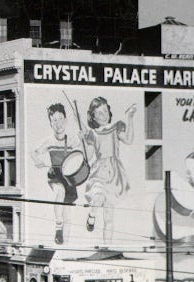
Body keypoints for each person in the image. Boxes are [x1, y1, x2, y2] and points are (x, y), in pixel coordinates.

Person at [79, 97, 135, 244]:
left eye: (105, 111)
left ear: (109, 111)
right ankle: (91, 216)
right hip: (99, 171)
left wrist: (130, 118)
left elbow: (129, 140)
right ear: (93, 117)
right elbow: (88, 156)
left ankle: (106, 247)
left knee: (109, 215)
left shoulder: (116, 127)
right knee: (98, 197)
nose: (103, 115)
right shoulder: (93, 134)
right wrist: (83, 141)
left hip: (115, 174)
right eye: (99, 113)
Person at [31, 103, 85, 245]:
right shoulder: (49, 140)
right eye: (54, 120)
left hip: (69, 178)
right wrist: (37, 160)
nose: (58, 123)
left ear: (66, 120)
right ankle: (58, 226)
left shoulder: (72, 139)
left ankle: (64, 244)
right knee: (59, 192)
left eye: (60, 119)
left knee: (68, 215)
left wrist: (82, 137)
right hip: (55, 175)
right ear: (50, 123)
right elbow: (34, 152)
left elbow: (82, 153)